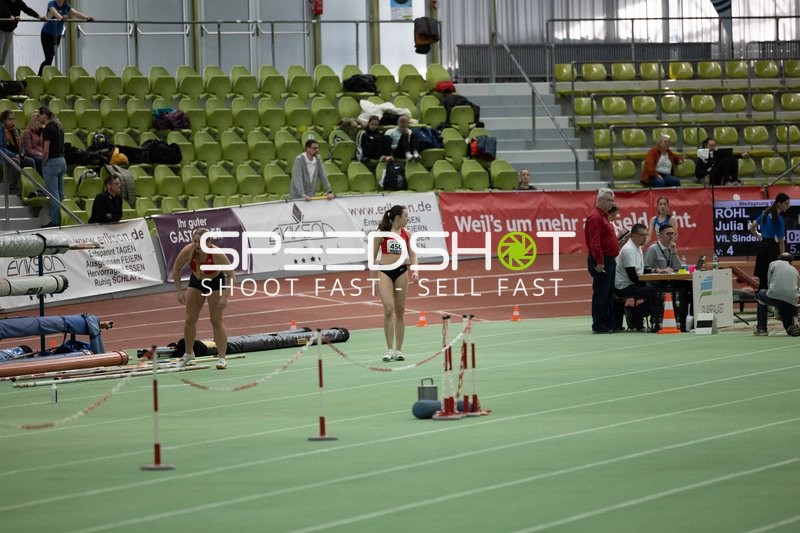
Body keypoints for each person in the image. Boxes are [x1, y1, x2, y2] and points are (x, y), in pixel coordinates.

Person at [173, 228, 234, 370]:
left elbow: (231, 275)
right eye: (194, 241)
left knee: (216, 320)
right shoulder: (189, 250)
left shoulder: (216, 254)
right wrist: (179, 292)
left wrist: (225, 296)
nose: (196, 244)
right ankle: (188, 353)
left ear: (209, 242)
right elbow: (176, 269)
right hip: (197, 281)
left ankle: (222, 358)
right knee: (190, 319)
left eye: (199, 242)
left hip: (215, 282)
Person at [372, 204, 419, 362]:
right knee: (388, 309)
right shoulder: (381, 233)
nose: (408, 218)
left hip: (401, 272)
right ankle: (389, 349)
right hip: (385, 271)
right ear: (398, 218)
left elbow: (413, 256)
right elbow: (372, 257)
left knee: (400, 311)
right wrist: (373, 279)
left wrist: (416, 270)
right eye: (406, 216)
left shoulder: (408, 234)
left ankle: (399, 350)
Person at [584, 188, 620, 333]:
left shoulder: (603, 216)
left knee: (608, 292)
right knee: (601, 293)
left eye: (613, 201)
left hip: (609, 259)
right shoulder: (596, 217)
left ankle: (607, 323)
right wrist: (600, 262)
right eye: (609, 201)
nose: (612, 204)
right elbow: (595, 242)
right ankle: (598, 324)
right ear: (600, 200)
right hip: (602, 260)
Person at [614, 223, 656, 331]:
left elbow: (640, 270)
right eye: (642, 235)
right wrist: (646, 283)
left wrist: (656, 270)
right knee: (651, 291)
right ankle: (637, 315)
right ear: (633, 235)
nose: (645, 238)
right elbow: (633, 276)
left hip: (631, 283)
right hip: (623, 287)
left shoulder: (638, 248)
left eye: (646, 235)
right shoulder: (628, 250)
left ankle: (640, 315)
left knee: (653, 288)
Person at [38, 0, 94, 76]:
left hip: (57, 35)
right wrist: (61, 18)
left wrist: (87, 17)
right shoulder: (51, 3)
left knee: (50, 58)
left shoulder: (67, 6)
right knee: (49, 58)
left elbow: (76, 13)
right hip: (46, 34)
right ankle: (39, 76)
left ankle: (44, 76)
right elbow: (54, 12)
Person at [749, 192, 791, 291]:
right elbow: (781, 242)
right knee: (773, 281)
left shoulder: (764, 213)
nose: (788, 206)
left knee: (762, 282)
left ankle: (761, 305)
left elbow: (751, 228)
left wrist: (758, 236)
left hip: (762, 249)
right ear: (779, 203)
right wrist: (783, 258)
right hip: (772, 250)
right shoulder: (780, 220)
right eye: (786, 203)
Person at [754, 253, 800, 336]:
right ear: (791, 262)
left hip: (775, 295)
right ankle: (791, 326)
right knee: (788, 323)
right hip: (792, 300)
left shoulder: (773, 263)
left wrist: (776, 305)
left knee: (761, 294)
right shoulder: (795, 270)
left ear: (779, 258)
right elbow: (797, 287)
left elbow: (769, 283)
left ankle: (761, 329)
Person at [39, 105, 65, 227]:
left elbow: (46, 150)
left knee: (53, 194)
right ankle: (65, 217)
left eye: (39, 115)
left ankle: (55, 221)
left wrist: (43, 162)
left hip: (52, 162)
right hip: (62, 160)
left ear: (44, 115)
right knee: (60, 192)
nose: (38, 117)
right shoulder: (59, 126)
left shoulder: (48, 128)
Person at [0, 0, 45, 68]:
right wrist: (11, 16)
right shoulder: (3, 1)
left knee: (3, 59)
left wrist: (39, 17)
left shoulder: (19, 2)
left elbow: (28, 10)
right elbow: (4, 9)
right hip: (1, 31)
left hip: (10, 31)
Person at [0, 109, 34, 196]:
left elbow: (21, 146)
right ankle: (12, 188)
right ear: (4, 120)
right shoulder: (1, 131)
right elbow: (1, 148)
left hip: (17, 155)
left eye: (13, 119)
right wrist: (14, 155)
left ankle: (30, 187)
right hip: (5, 157)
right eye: (10, 119)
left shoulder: (16, 131)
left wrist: (21, 153)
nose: (12, 121)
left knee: (31, 161)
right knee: (15, 161)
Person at [22, 110, 44, 174]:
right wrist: (40, 154)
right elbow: (28, 150)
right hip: (30, 156)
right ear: (35, 122)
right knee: (41, 160)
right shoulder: (27, 132)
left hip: (40, 154)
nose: (41, 123)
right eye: (39, 121)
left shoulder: (41, 131)